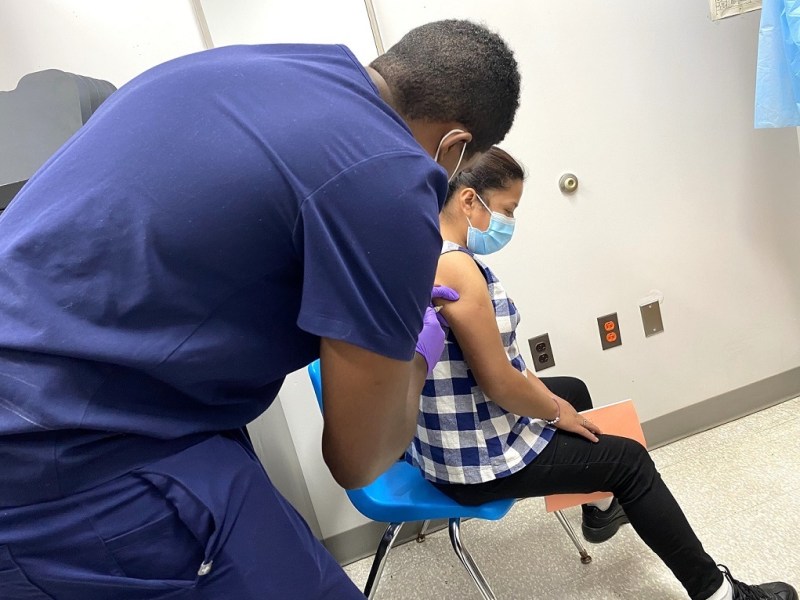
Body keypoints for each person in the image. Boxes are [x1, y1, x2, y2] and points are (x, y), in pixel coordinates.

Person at [0, 20, 521, 599]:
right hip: (61, 449)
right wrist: (416, 350)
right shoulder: (394, 176)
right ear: (454, 148)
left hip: (108, 400)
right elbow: (358, 460)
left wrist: (371, 296)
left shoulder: (249, 67)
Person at [406, 147, 797, 600]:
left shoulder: (423, 247)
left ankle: (600, 507)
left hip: (444, 431)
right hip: (472, 460)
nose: (509, 223)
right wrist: (555, 414)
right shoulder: (456, 265)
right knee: (630, 463)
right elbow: (499, 383)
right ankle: (719, 594)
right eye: (508, 210)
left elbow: (500, 365)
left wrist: (556, 400)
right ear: (470, 200)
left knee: (573, 389)